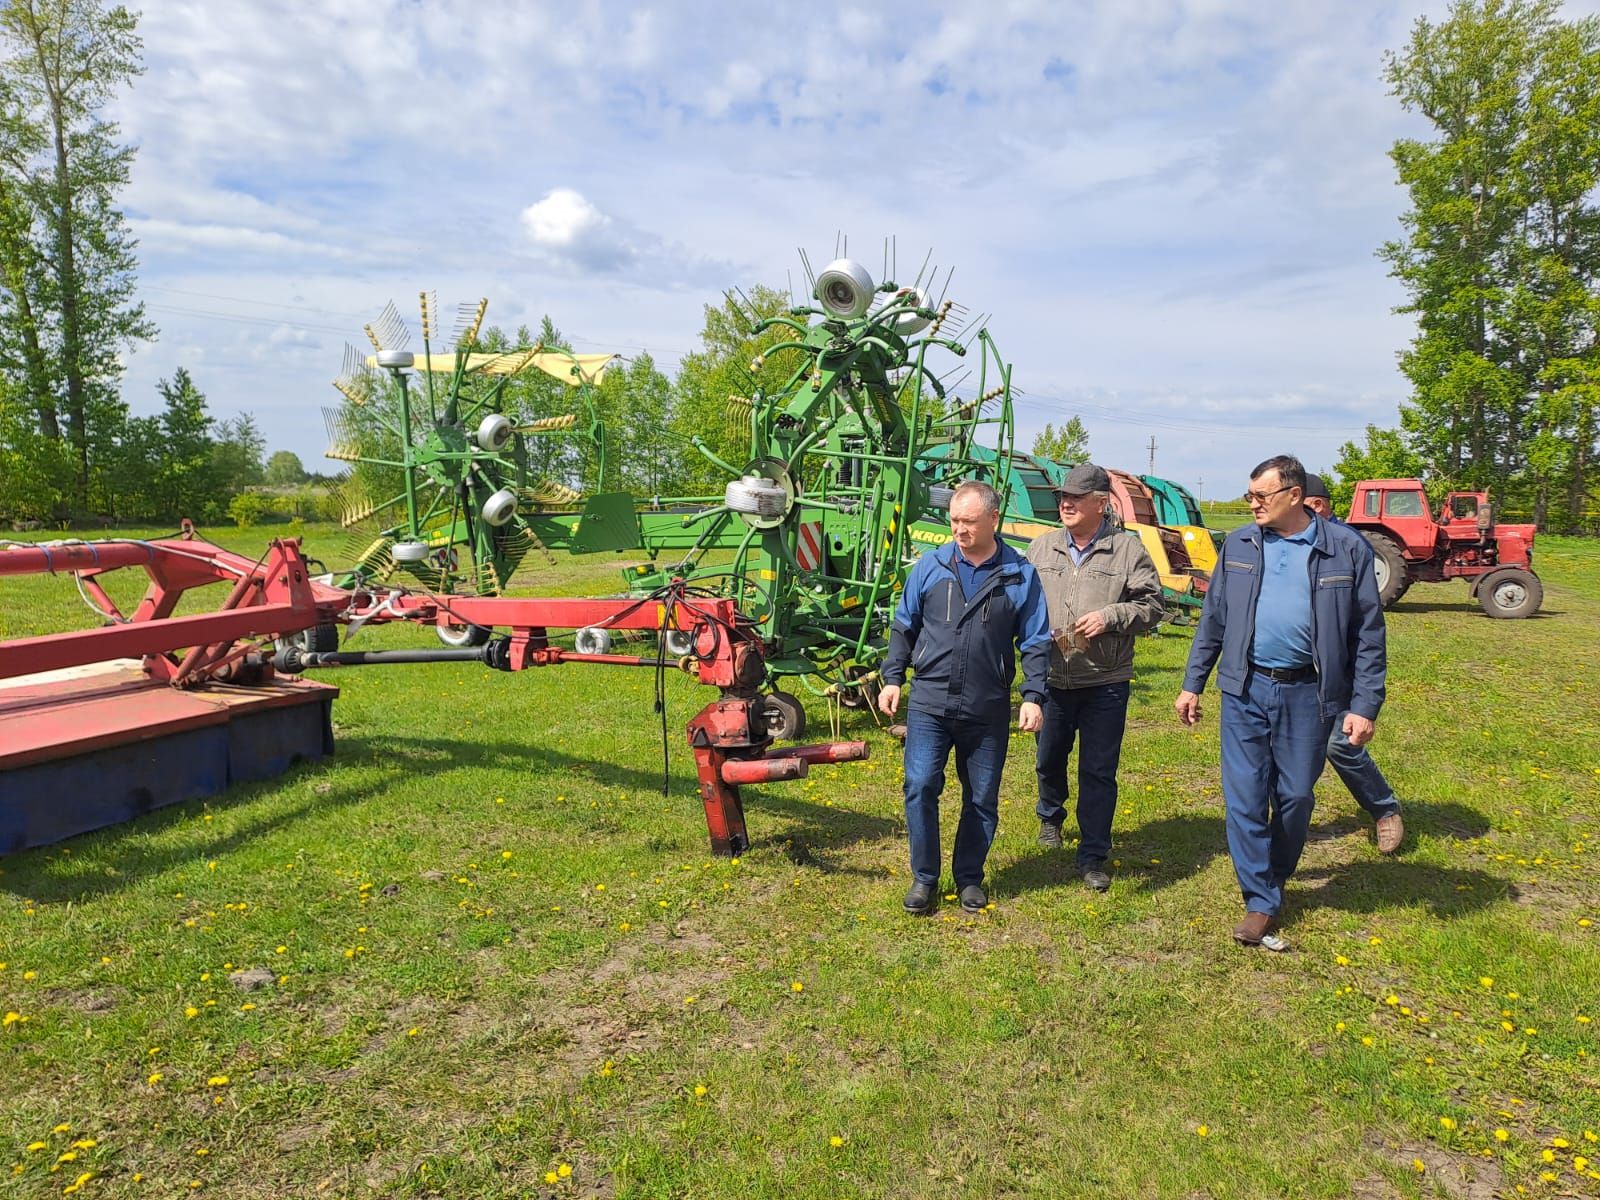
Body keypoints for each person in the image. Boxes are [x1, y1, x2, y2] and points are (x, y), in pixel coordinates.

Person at [1175, 455, 1386, 949]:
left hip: (1309, 694)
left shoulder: (1343, 549)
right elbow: (1214, 618)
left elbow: (1368, 635)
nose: (1252, 504)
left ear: (1293, 495)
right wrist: (1193, 682)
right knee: (1245, 799)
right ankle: (1261, 900)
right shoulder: (1241, 544)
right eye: (1250, 496)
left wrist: (1364, 704)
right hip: (1245, 688)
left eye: (1260, 496)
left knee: (1294, 796)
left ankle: (1274, 874)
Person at [879, 480, 1052, 915]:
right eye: (954, 520)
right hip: (930, 703)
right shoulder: (931, 567)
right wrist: (893, 677)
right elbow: (904, 625)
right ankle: (924, 878)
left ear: (994, 519)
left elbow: (1035, 641)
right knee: (919, 786)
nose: (959, 529)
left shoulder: (1019, 574)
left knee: (981, 797)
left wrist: (1033, 695)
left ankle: (970, 878)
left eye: (969, 521)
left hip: (986, 706)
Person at [1026, 463, 1165, 891]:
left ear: (1101, 504)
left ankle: (1093, 854)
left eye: (1075, 497)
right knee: (1049, 759)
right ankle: (1050, 815)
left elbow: (1154, 608)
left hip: (1105, 681)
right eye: (1062, 497)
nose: (1064, 503)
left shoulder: (1127, 552)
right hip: (1050, 679)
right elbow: (1020, 599)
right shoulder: (1042, 548)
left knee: (1099, 771)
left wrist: (1112, 616)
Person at [1303, 473, 1404, 853]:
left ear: (1327, 506)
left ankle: (1384, 809)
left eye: (1316, 506)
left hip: (1340, 671)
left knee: (1340, 745)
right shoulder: (1286, 545)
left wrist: (1364, 695)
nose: (1311, 514)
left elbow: (1367, 626)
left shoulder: (1350, 546)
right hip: (1295, 672)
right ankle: (1293, 818)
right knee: (1295, 748)